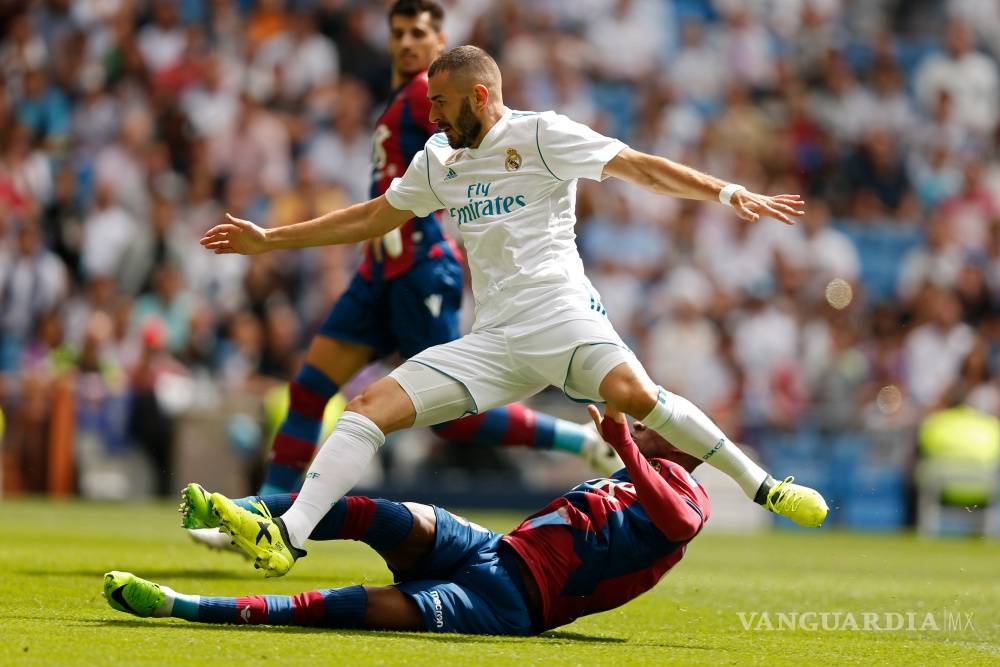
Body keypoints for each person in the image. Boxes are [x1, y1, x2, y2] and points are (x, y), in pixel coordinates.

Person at [199, 45, 828, 577]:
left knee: (636, 395)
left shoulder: (539, 135)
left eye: (441, 104)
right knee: (369, 409)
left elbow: (637, 166)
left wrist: (726, 191)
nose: (433, 116)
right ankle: (290, 536)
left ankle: (762, 484)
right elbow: (371, 217)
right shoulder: (438, 161)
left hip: (562, 316)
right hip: (494, 338)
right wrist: (270, 238)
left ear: (478, 95)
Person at [254, 0, 618, 496]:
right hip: (379, 268)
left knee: (447, 414)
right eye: (398, 32)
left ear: (439, 44)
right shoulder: (406, 97)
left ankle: (578, 439)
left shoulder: (434, 93)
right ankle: (263, 511)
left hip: (419, 266)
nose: (406, 42)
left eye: (418, 34)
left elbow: (484, 148)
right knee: (309, 387)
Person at [105, 405, 710, 635]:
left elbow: (678, 523)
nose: (646, 423)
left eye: (662, 423)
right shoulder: (629, 475)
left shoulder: (685, 490)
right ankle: (260, 519)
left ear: (683, 446)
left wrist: (629, 448)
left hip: (517, 605)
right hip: (493, 550)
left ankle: (179, 606)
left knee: (351, 606)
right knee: (377, 513)